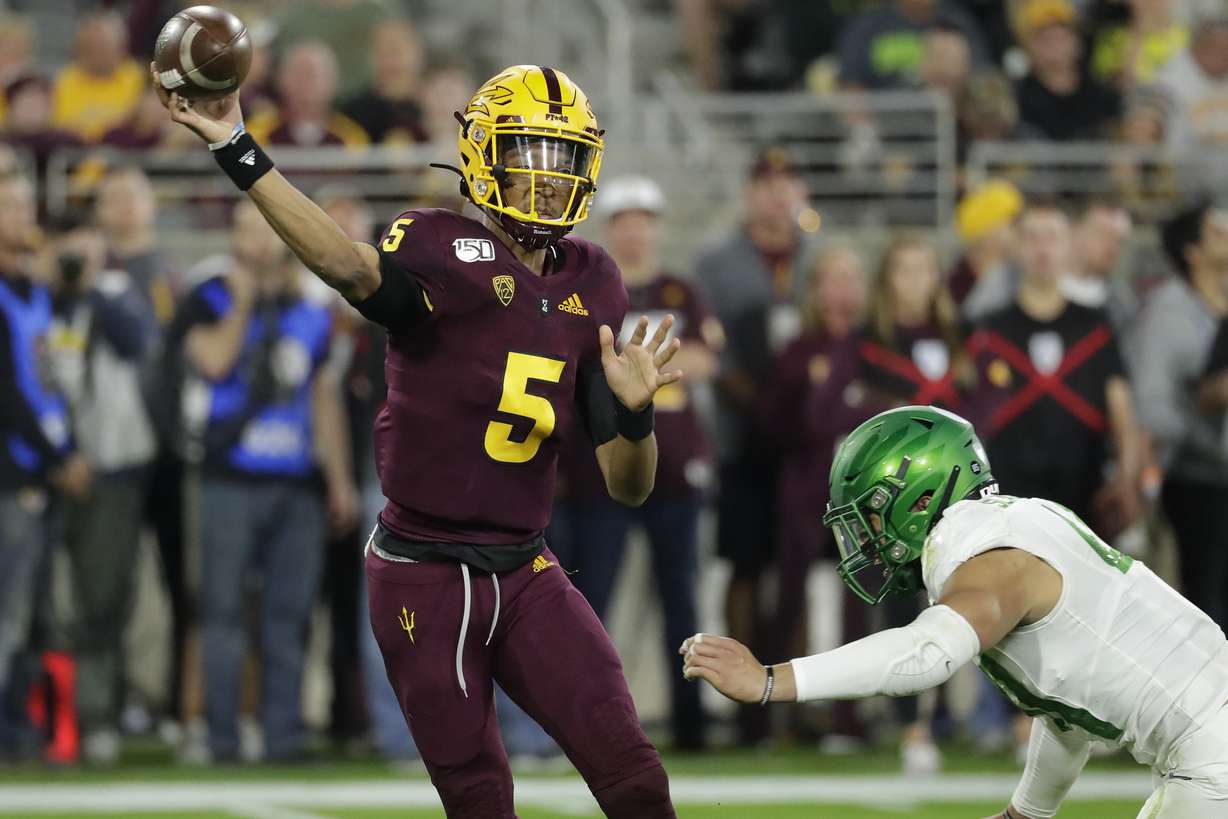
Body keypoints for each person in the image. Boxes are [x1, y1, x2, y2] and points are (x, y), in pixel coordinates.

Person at [152, 63, 678, 817]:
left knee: (635, 776)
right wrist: (237, 145)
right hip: (424, 573)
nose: (547, 177)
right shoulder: (436, 244)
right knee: (480, 799)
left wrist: (635, 415)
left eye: (562, 157)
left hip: (528, 570)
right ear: (481, 156)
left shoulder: (595, 279)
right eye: (527, 152)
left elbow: (630, 483)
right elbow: (345, 263)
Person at [683, 404, 1228, 819]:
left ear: (919, 498)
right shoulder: (1015, 523)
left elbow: (925, 654)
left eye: (870, 517)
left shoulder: (985, 553)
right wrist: (1025, 814)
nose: (866, 539)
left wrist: (772, 681)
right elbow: (1066, 714)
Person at [177, 200, 357, 762]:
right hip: (229, 476)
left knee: (290, 615)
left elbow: (322, 395)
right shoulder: (210, 295)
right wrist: (244, 300)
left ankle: (284, 735)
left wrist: (340, 479)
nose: (256, 241)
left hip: (297, 483)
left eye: (264, 228)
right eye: (245, 230)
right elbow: (211, 363)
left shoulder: (310, 308)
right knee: (224, 613)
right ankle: (222, 735)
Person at [551, 176, 721, 751]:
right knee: (591, 603)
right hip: (604, 469)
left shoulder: (681, 289)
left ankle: (692, 725)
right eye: (624, 220)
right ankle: (588, 724)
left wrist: (627, 361)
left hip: (674, 473)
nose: (634, 231)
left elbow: (703, 358)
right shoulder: (595, 289)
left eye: (642, 220)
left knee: (683, 603)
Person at [693, 144, 816, 747]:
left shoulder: (816, 257)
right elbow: (713, 353)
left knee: (798, 572)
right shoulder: (718, 263)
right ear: (749, 193)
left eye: (787, 180)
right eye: (766, 182)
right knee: (745, 565)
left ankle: (797, 703)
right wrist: (760, 407)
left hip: (807, 443)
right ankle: (745, 710)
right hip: (743, 439)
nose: (776, 193)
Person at [43, 217, 157, 765]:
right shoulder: (36, 299)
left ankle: (97, 718)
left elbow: (137, 340)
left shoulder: (115, 294)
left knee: (103, 598)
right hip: (44, 471)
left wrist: (88, 288)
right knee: (41, 601)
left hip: (111, 471)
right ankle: (41, 719)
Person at [856, 234, 971, 773]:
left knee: (960, 599)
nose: (914, 281)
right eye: (903, 269)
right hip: (900, 497)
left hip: (958, 495)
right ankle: (912, 726)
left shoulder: (959, 337)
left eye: (923, 268)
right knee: (907, 608)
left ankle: (954, 715)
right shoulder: (873, 341)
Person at [758, 245, 874, 745]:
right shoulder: (799, 349)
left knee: (860, 603)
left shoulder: (875, 348)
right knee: (787, 601)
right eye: (832, 279)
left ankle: (848, 720)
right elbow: (777, 423)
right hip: (806, 487)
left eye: (851, 279)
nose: (841, 291)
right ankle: (763, 716)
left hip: (865, 499)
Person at [971, 202, 1142, 541]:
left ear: (1070, 244)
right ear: (1016, 247)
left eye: (1052, 237)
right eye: (1032, 237)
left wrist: (1126, 478)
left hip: (1083, 489)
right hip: (1008, 495)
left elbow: (1122, 410)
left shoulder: (1096, 326)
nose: (1042, 249)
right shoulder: (988, 330)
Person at [0, 173, 90, 757]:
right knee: (6, 610)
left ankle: (17, 724)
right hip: (14, 472)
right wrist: (60, 458)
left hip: (42, 468)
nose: (23, 214)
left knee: (28, 611)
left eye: (25, 202)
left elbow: (49, 384)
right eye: (10, 205)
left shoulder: (33, 289)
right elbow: (7, 395)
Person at [1134, 203, 1228, 630]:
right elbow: (1153, 403)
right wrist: (1202, 426)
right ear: (1192, 249)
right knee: (1207, 594)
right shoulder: (1169, 309)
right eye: (1217, 230)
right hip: (1199, 475)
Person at [1013, 0, 1122, 141]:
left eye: (1062, 37)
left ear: (1076, 41)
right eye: (1046, 39)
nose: (1055, 46)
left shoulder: (1102, 97)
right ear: (1030, 47)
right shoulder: (1017, 100)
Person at [837, 0, 988, 90]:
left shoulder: (959, 23)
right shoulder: (867, 27)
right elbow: (850, 87)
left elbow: (981, 81)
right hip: (885, 131)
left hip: (951, 129)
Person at [245, 41, 369, 150]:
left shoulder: (351, 137)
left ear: (332, 81)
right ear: (281, 80)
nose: (305, 82)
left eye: (313, 74)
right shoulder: (256, 133)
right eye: (298, 73)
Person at [51, 12, 144, 143]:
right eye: (89, 47)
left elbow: (141, 125)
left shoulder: (138, 77)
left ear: (121, 48)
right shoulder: (65, 79)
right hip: (75, 159)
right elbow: (61, 126)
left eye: (103, 47)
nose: (96, 54)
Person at [340, 19, 429, 146]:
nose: (390, 62)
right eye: (382, 53)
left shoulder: (437, 107)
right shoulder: (352, 113)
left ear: (417, 54)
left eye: (396, 51)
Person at [948, 178, 1022, 321]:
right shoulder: (956, 282)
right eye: (1011, 222)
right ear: (989, 229)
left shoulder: (1020, 274)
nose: (1018, 230)